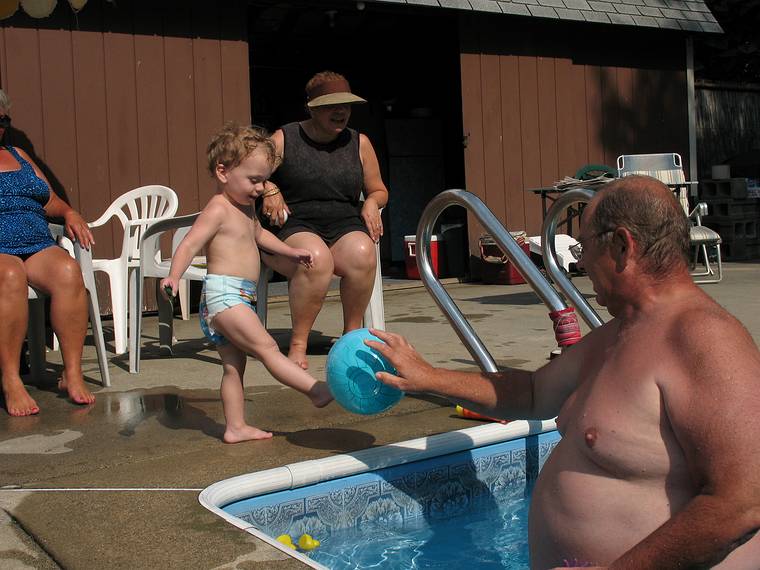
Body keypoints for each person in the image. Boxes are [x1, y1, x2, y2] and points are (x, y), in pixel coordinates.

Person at [367, 176, 760, 569]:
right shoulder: (621, 332)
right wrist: (426, 376)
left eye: (584, 246)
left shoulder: (705, 340)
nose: (581, 263)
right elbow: (534, 393)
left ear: (623, 246)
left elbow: (742, 504)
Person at [160, 123, 333, 444]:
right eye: (254, 180)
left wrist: (291, 251)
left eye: (264, 179)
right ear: (223, 172)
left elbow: (259, 235)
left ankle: (235, 426)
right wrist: (174, 275)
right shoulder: (218, 208)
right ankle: (315, 390)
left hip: (240, 297)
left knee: (233, 366)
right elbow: (188, 244)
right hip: (223, 296)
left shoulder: (245, 207)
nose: (260, 188)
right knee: (267, 347)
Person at [260, 71, 389, 370]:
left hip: (342, 223)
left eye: (346, 105)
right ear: (312, 108)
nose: (341, 111)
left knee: (362, 253)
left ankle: (351, 338)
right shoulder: (285, 137)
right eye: (332, 105)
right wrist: (269, 187)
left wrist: (371, 201)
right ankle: (298, 344)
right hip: (294, 223)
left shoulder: (360, 143)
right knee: (314, 258)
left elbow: (379, 189)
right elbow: (249, 173)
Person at [0, 89, 96, 417]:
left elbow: (48, 198)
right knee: (11, 275)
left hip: (37, 243)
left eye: (3, 119)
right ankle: (11, 379)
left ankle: (71, 373)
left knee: (68, 271)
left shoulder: (20, 155)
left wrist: (69, 213)